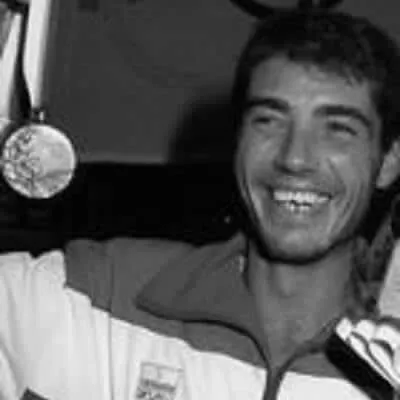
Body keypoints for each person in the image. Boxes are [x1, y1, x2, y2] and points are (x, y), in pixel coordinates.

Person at [2, 7, 400, 400]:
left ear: (388, 162)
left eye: (338, 129)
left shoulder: (391, 362)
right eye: (269, 120)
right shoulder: (101, 297)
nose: (295, 158)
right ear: (237, 140)